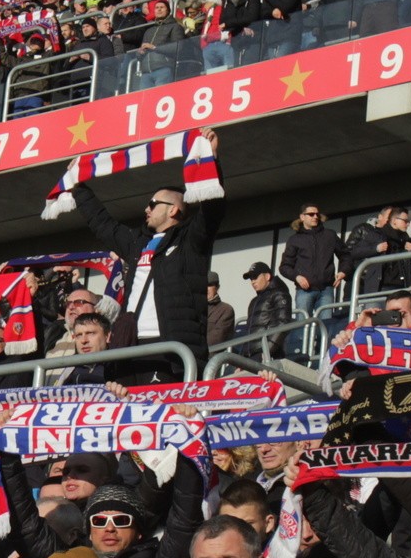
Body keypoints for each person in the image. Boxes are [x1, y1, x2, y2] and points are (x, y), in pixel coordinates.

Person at [68, 128, 226, 380]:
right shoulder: (138, 242)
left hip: (169, 350)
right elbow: (103, 224)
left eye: (153, 204)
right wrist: (78, 188)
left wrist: (211, 161)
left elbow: (212, 209)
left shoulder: (191, 241)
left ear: (174, 210)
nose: (146, 209)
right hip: (128, 346)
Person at [279, 203, 341, 357]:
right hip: (304, 290)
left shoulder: (330, 235)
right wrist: (297, 277)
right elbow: (284, 266)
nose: (315, 217)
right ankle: (302, 356)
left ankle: (324, 357)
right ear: (302, 217)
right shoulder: (294, 239)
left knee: (326, 326)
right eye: (311, 214)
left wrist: (343, 272)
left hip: (326, 288)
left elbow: (346, 255)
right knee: (302, 325)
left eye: (317, 214)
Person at [244, 260, 293, 358]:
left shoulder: (280, 294)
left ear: (267, 276)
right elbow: (249, 332)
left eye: (255, 277)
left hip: (269, 355)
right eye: (251, 279)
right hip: (252, 357)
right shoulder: (254, 301)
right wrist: (241, 360)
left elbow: (283, 325)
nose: (253, 281)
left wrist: (267, 352)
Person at [204, 271, 235, 346]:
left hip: (210, 355)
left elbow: (217, 338)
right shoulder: (193, 308)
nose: (206, 288)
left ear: (217, 287)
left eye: (210, 285)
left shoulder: (226, 310)